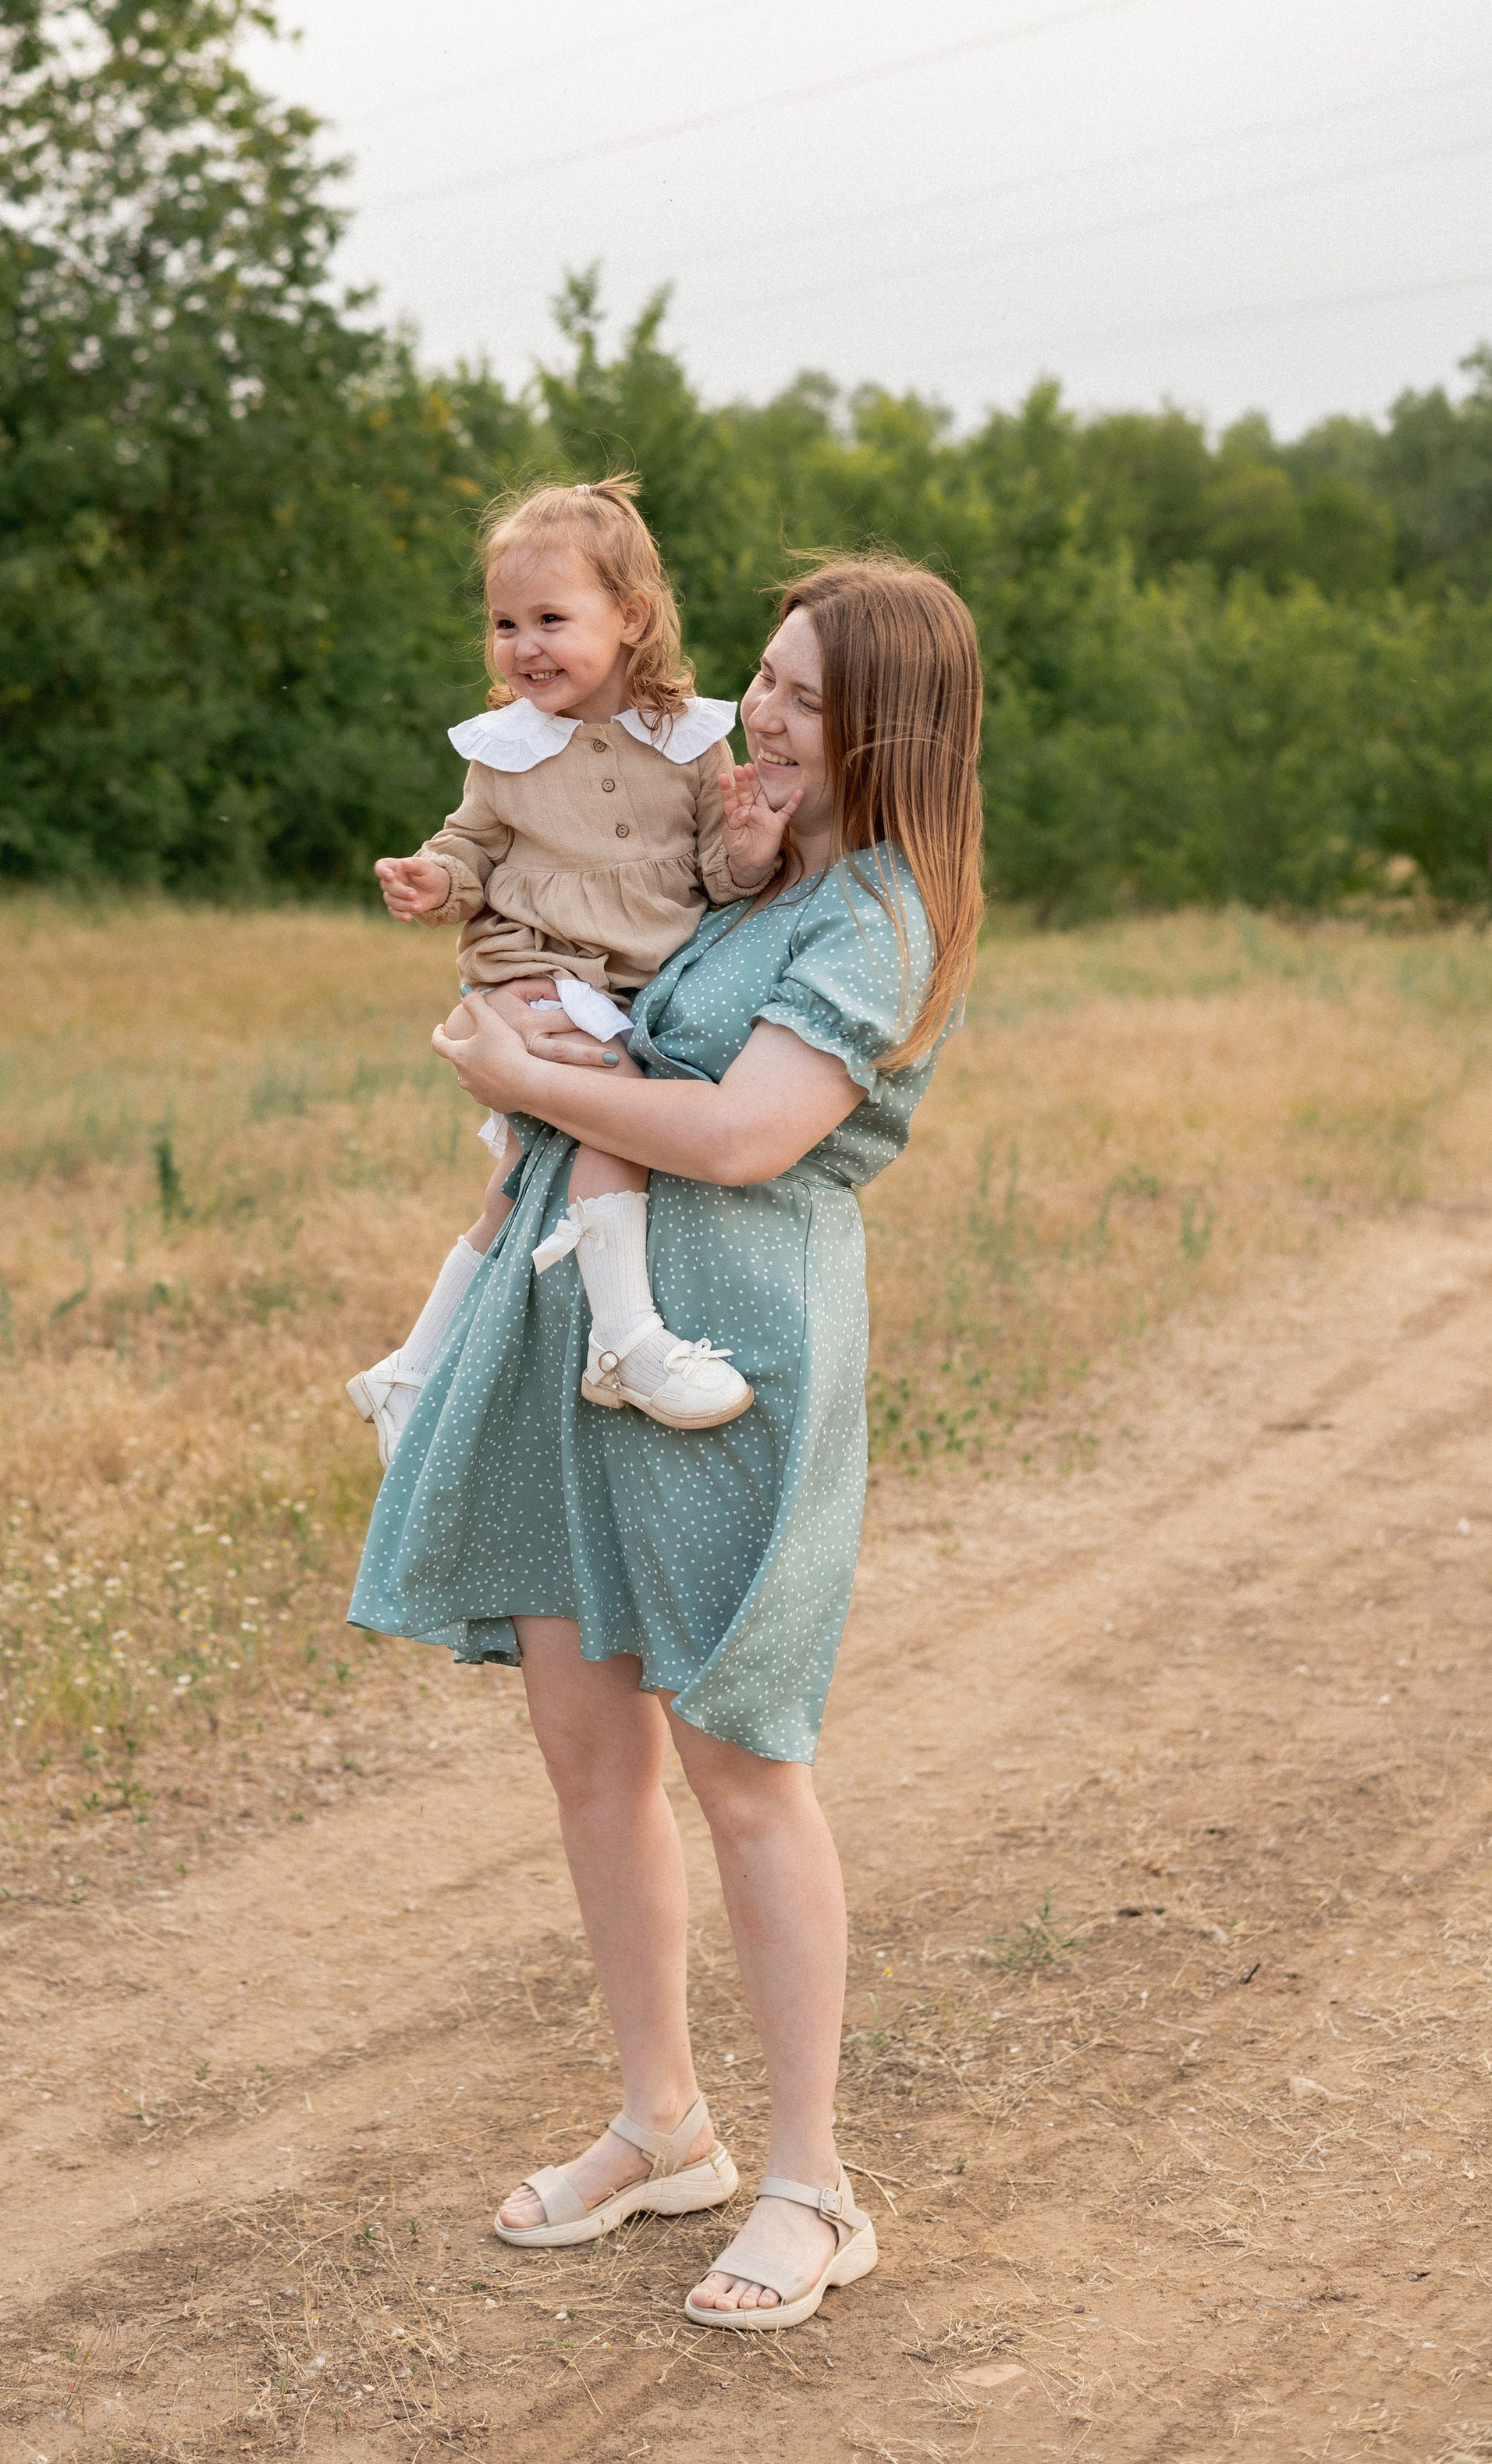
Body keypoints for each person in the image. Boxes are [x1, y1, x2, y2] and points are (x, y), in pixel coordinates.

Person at [349, 555, 985, 2331]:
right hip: (575, 1338)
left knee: (737, 1759)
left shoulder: (874, 913)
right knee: (584, 1748)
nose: (754, 712)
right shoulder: (731, 859)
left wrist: (517, 1072)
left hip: (729, 1357)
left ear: (883, 725)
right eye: (759, 682)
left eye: (793, 694)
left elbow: (735, 1132)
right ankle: (662, 2121)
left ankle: (809, 2180)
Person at [346, 475, 786, 1456]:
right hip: (534, 970)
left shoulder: (691, 738)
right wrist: (434, 880)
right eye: (506, 623)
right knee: (614, 1100)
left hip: (628, 985)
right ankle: (627, 1340)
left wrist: (754, 843)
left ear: (630, 616)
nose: (523, 645)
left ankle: (407, 1372)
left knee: (514, 1187)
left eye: (550, 617)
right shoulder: (506, 751)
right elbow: (470, 848)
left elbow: (722, 871)